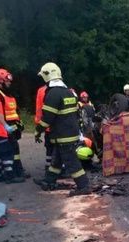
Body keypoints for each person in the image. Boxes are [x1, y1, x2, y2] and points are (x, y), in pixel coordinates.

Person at [33, 62, 91, 196]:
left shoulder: (53, 94)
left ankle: (84, 186)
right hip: (69, 133)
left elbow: (47, 118)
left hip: (62, 135)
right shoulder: (68, 92)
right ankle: (48, 182)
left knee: (72, 162)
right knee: (56, 161)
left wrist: (38, 131)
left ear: (48, 76)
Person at [0, 68, 29, 179]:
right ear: (1, 81)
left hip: (13, 126)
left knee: (14, 148)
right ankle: (16, 171)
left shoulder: (9, 94)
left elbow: (14, 111)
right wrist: (6, 127)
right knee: (13, 149)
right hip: (6, 127)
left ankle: (16, 169)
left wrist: (19, 123)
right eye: (7, 81)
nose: (9, 83)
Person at [34, 83, 52, 169]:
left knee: (49, 147)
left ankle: (49, 167)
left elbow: (39, 110)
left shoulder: (41, 90)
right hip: (55, 126)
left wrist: (38, 127)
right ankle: (56, 169)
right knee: (57, 148)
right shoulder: (59, 89)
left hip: (45, 125)